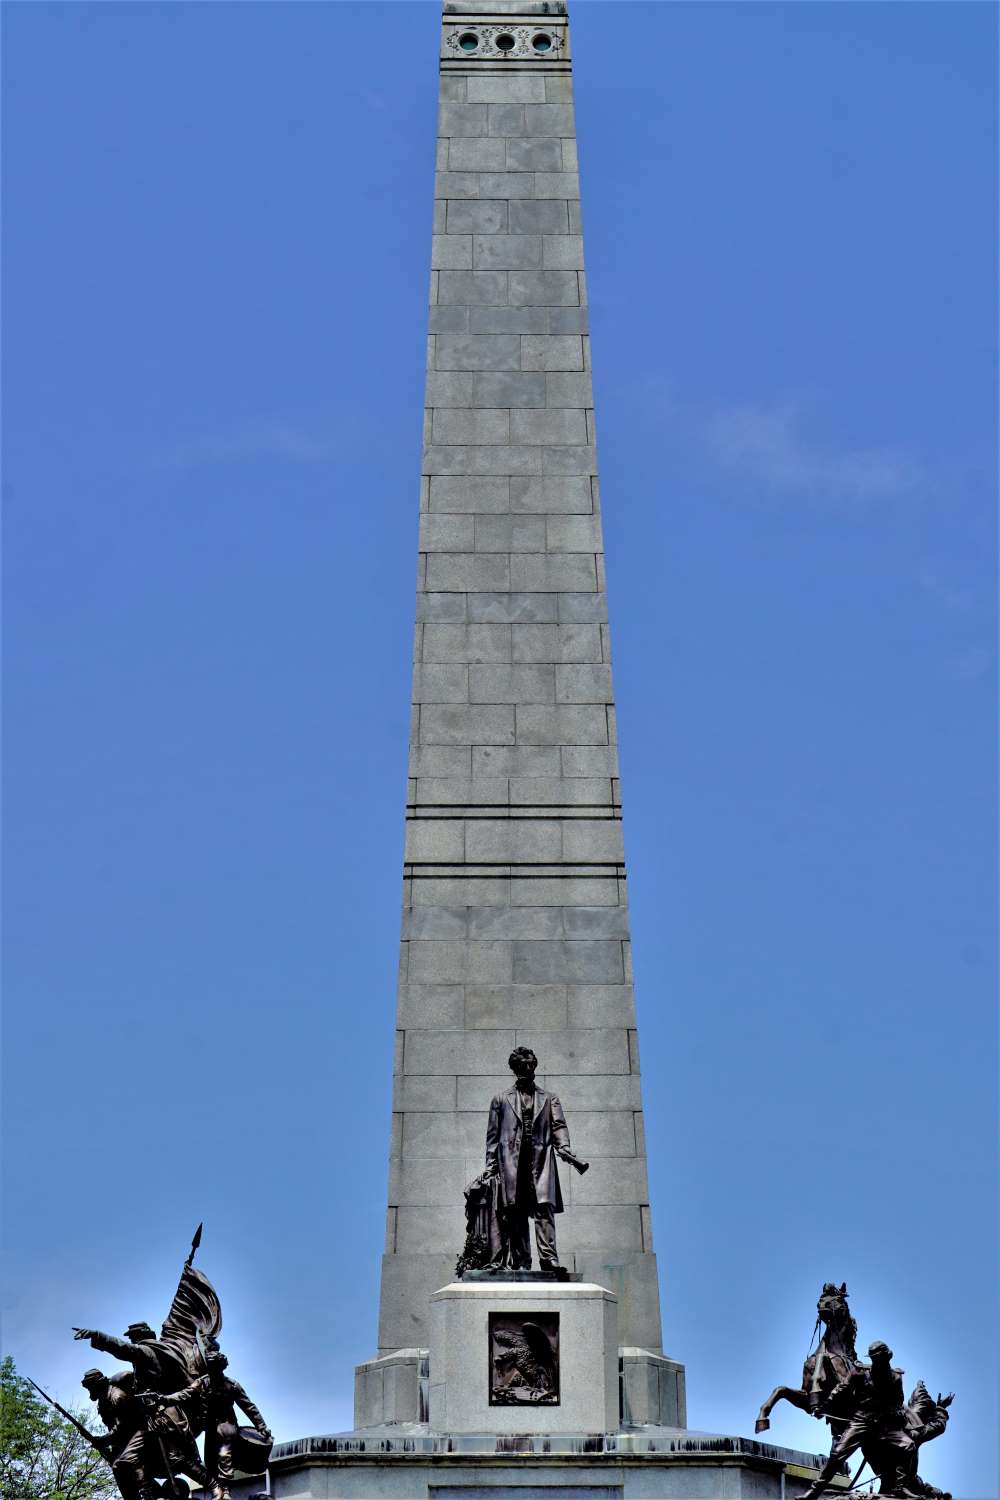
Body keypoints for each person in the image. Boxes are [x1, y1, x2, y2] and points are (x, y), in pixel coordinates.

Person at [799, 1342, 950, 1500]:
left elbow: (898, 1402)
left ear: (887, 1358)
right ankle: (814, 1492)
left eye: (879, 1358)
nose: (876, 1361)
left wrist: (897, 1418)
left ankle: (900, 1488)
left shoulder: (896, 1377)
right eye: (873, 1359)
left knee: (909, 1446)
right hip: (861, 1421)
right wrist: (826, 1406)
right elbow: (841, 1389)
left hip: (883, 1425)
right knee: (837, 1454)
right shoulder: (859, 1372)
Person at [484, 1046, 585, 1274]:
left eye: (528, 1066)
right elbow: (492, 1137)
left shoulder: (550, 1098)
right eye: (520, 1067)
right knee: (516, 1211)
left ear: (534, 1068)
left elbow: (559, 1126)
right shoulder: (500, 1099)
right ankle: (522, 1262)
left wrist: (565, 1148)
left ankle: (549, 1259)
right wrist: (491, 1167)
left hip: (541, 1161)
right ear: (514, 1069)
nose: (525, 1070)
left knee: (544, 1209)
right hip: (511, 1163)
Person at [156, 1347, 271, 1500]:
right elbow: (185, 1394)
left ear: (221, 1367)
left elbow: (248, 1407)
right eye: (210, 1368)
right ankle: (218, 1489)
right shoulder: (202, 1383)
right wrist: (165, 1399)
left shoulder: (232, 1385)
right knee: (210, 1460)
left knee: (224, 1454)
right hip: (209, 1426)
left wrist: (261, 1426)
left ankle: (226, 1490)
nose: (212, 1371)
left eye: (215, 1368)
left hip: (226, 1424)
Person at [80, 1366, 209, 1500]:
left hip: (142, 1432)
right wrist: (106, 1446)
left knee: (126, 1461)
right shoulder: (102, 1402)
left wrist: (103, 1440)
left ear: (98, 1385)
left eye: (90, 1387)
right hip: (126, 1439)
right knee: (118, 1467)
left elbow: (122, 1427)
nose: (90, 1392)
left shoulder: (117, 1397)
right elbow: (113, 1429)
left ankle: (149, 1496)